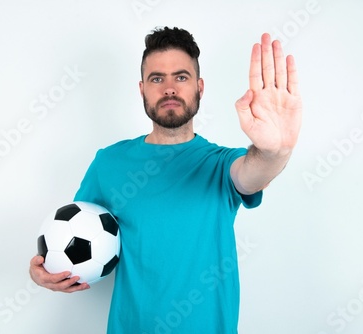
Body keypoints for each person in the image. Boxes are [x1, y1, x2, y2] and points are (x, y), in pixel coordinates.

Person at [30, 26, 302, 333]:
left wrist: (276, 150)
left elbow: (254, 173)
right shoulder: (108, 162)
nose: (169, 88)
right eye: (157, 78)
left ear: (200, 87)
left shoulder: (221, 164)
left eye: (181, 77)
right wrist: (45, 270)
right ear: (142, 88)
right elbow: (76, 236)